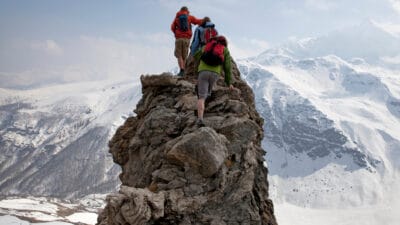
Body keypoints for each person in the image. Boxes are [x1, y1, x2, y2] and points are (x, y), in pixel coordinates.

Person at [194, 35, 234, 127]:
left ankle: (200, 118)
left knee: (201, 97)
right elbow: (227, 67)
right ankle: (208, 96)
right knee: (208, 92)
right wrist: (229, 83)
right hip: (215, 74)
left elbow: (196, 55)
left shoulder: (206, 46)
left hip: (203, 72)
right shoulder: (225, 50)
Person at [171, 6, 203, 77]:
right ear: (187, 11)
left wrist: (176, 33)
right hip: (187, 39)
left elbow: (172, 27)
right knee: (184, 55)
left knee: (179, 55)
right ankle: (184, 71)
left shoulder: (177, 18)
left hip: (179, 39)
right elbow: (197, 21)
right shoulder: (190, 17)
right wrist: (205, 21)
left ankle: (181, 70)